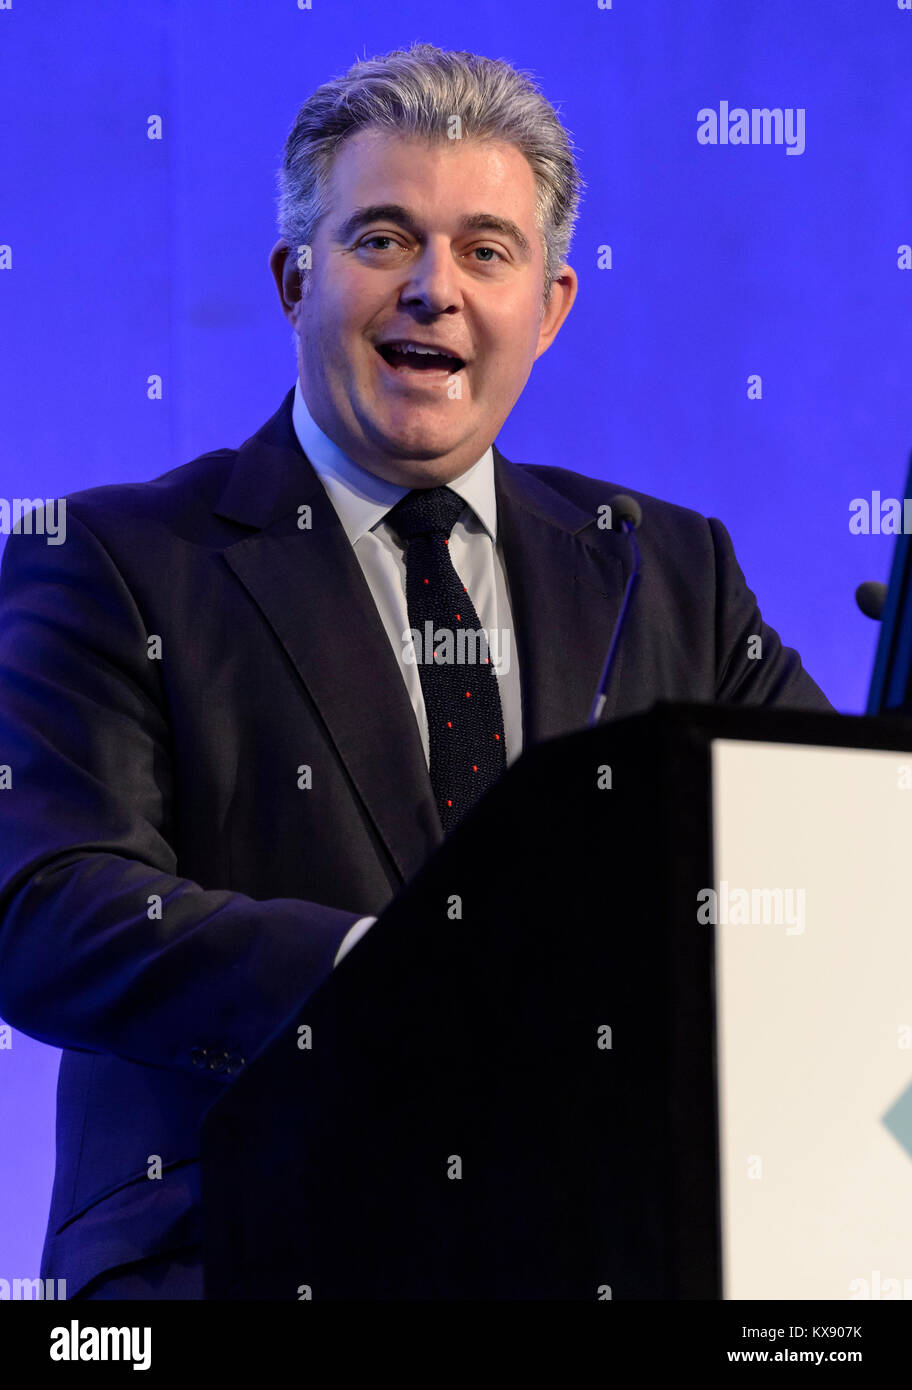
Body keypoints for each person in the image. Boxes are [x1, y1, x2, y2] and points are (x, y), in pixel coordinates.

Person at [0, 42, 832, 1301]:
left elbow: (830, 865)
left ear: (549, 307)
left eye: (485, 250)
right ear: (295, 280)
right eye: (382, 238)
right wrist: (399, 981)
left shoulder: (667, 569)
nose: (434, 289)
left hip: (607, 1254)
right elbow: (46, 906)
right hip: (232, 1260)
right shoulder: (114, 560)